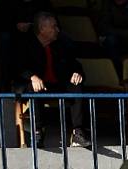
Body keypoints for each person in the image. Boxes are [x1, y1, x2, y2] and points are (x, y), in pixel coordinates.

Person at [16, 11, 90, 148]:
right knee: (34, 87)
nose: (58, 30)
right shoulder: (26, 44)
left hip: (57, 84)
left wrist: (77, 73)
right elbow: (17, 67)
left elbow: (75, 64)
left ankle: (78, 132)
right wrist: (32, 76)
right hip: (37, 86)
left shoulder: (60, 45)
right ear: (42, 29)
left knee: (76, 85)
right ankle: (38, 131)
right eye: (54, 26)